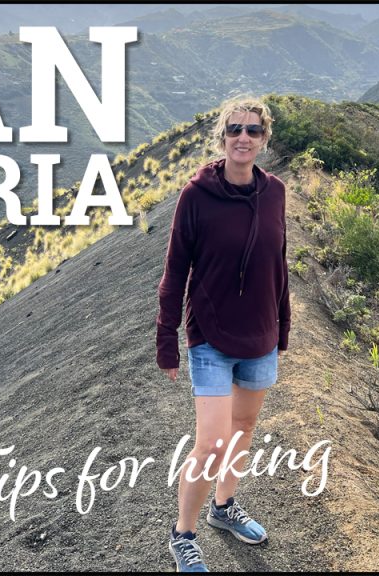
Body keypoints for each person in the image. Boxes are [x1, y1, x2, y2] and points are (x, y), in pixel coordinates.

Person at [156, 96, 290, 572]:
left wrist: (283, 327)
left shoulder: (274, 191)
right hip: (209, 336)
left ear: (264, 139)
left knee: (243, 431)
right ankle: (183, 535)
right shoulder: (196, 196)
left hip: (261, 336)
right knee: (210, 443)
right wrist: (165, 341)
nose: (244, 137)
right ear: (222, 136)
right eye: (235, 129)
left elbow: (279, 264)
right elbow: (175, 273)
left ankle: (223, 508)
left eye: (253, 131)